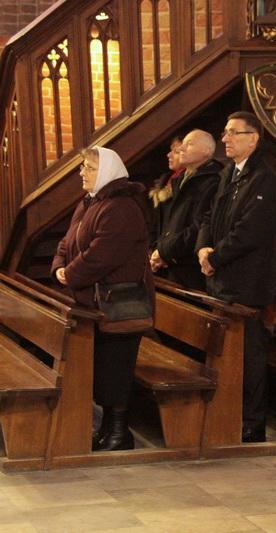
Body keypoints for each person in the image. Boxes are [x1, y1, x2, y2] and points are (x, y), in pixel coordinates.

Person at [51, 146, 153, 452]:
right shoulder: (89, 203)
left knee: (116, 368)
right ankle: (107, 430)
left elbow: (104, 254)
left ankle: (120, 433)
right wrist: (59, 267)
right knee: (105, 367)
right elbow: (66, 242)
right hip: (96, 303)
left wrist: (71, 274)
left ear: (107, 171)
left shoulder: (121, 207)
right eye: (83, 167)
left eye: (89, 168)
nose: (82, 173)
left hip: (119, 304)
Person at [196, 111, 276, 442]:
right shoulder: (229, 174)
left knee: (249, 355)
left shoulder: (266, 181)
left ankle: (252, 421)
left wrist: (215, 258)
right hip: (220, 279)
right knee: (225, 353)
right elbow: (208, 216)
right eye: (225, 132)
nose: (226, 138)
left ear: (253, 138)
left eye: (234, 132)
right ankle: (228, 413)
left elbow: (250, 232)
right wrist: (202, 249)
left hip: (248, 283)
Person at [150, 130, 222, 290]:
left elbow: (199, 226)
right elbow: (167, 224)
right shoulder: (180, 179)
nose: (181, 148)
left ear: (206, 151)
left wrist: (164, 252)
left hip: (189, 269)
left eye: (189, 144)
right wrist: (157, 251)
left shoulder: (213, 181)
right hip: (168, 264)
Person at [149, 136, 184, 243]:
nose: (169, 155)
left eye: (176, 152)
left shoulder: (186, 181)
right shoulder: (166, 179)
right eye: (171, 150)